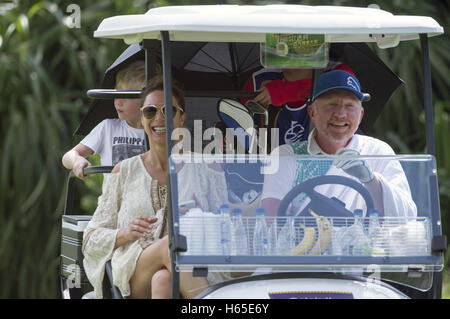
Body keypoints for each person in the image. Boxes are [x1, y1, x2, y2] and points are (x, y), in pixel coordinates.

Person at [82, 76, 228, 299]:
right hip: (136, 270)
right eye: (150, 111)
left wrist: (204, 218)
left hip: (194, 266)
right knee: (170, 248)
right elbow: (91, 239)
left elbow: (227, 228)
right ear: (141, 119)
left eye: (168, 110)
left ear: (182, 118)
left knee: (163, 280)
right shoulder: (123, 171)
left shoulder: (206, 167)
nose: (159, 118)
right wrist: (125, 232)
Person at [261, 70, 417, 218]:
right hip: (304, 244)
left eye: (350, 106)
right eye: (332, 105)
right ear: (312, 113)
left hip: (365, 245)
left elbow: (404, 215)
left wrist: (371, 181)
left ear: (361, 115)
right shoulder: (286, 155)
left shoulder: (377, 151)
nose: (341, 114)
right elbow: (274, 221)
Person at [62, 60, 150, 190]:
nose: (118, 102)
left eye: (126, 96)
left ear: (147, 101)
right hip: (113, 204)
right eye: (117, 94)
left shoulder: (158, 131)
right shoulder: (108, 127)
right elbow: (68, 156)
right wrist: (77, 160)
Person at [241, 61, 354, 147]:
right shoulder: (258, 80)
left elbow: (342, 91)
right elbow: (237, 130)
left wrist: (282, 91)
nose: (292, 53)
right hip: (269, 168)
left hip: (323, 166)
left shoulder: (338, 72)